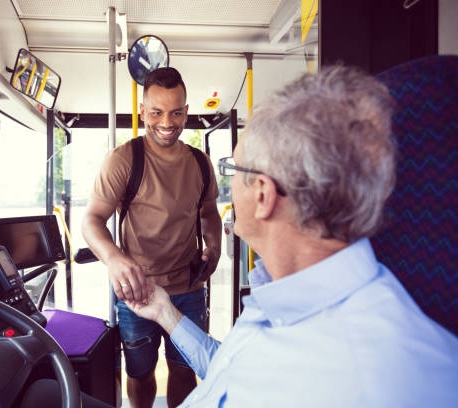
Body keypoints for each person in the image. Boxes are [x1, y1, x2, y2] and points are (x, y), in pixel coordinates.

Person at [124, 65, 458, 407]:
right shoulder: (285, 293)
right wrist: (165, 313)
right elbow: (236, 375)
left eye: (234, 169)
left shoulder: (374, 381)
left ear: (263, 196)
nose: (228, 184)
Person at [81, 66, 222, 407]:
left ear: (186, 112)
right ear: (142, 111)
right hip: (137, 294)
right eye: (156, 112)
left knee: (186, 370)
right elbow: (91, 220)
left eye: (176, 112)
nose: (167, 122)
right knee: (140, 374)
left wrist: (215, 246)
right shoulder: (122, 161)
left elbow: (209, 213)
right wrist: (114, 258)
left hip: (189, 289)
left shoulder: (201, 163)